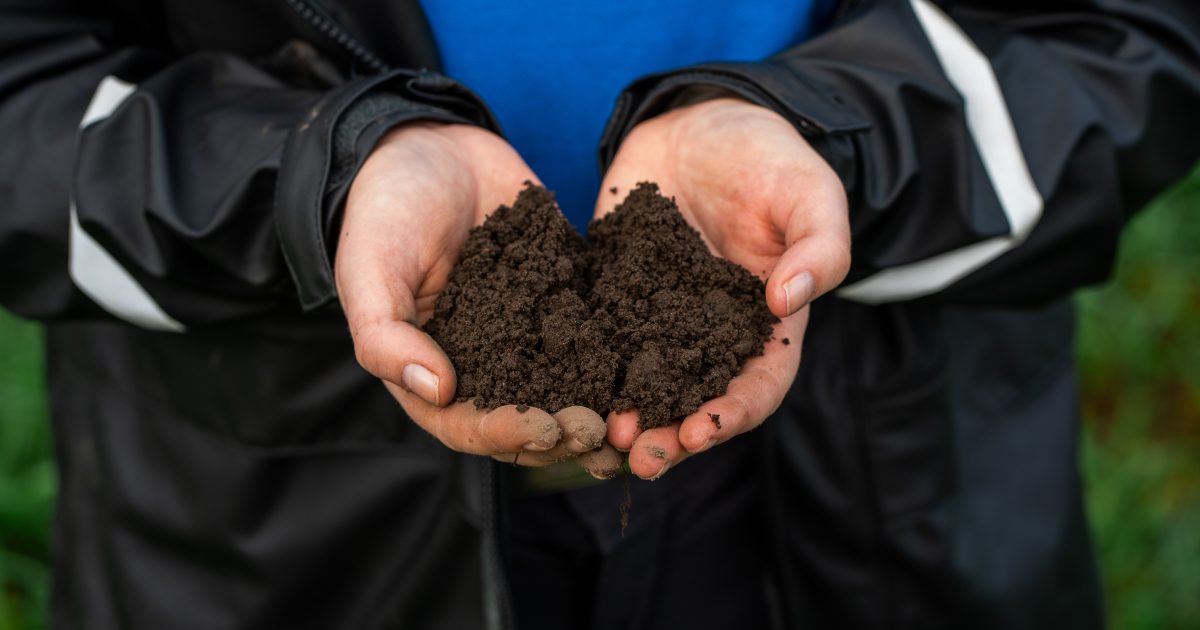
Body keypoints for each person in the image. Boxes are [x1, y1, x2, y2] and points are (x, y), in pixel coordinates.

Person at [0, 0, 1197, 629]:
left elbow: (1116, 28)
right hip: (282, 519)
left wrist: (843, 137)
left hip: (875, 472)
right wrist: (312, 178)